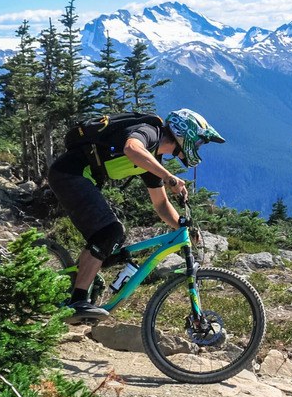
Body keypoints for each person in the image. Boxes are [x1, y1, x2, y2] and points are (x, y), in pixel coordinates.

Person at [47, 108, 224, 322]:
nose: (197, 148)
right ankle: (78, 300)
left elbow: (160, 204)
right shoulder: (149, 132)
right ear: (185, 134)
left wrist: (183, 228)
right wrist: (169, 177)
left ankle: (83, 283)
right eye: (198, 142)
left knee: (111, 241)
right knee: (110, 231)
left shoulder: (152, 159)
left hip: (82, 179)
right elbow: (132, 148)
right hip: (69, 174)